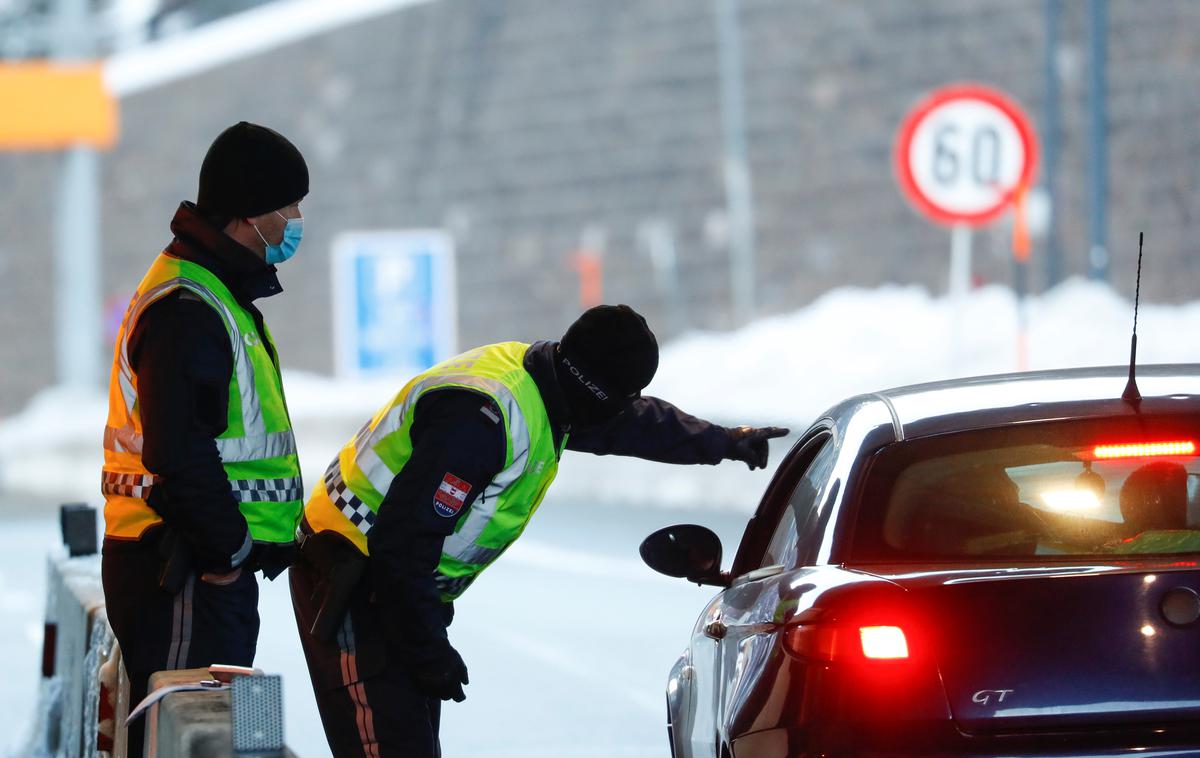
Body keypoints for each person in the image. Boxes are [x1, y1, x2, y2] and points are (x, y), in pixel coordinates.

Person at [290, 304, 788, 757]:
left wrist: (723, 442)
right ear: (594, 391)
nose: (628, 406)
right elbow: (402, 544)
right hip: (354, 576)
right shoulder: (480, 420)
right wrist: (428, 651)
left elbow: (635, 423)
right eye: (621, 397)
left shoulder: (556, 387)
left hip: (397, 585)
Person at [100, 121, 309, 752]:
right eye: (290, 208)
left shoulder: (215, 292)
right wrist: (231, 553)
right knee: (202, 730)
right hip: (184, 569)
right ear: (253, 215)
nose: (297, 220)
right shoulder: (189, 306)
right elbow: (180, 455)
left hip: (203, 568)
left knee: (221, 729)